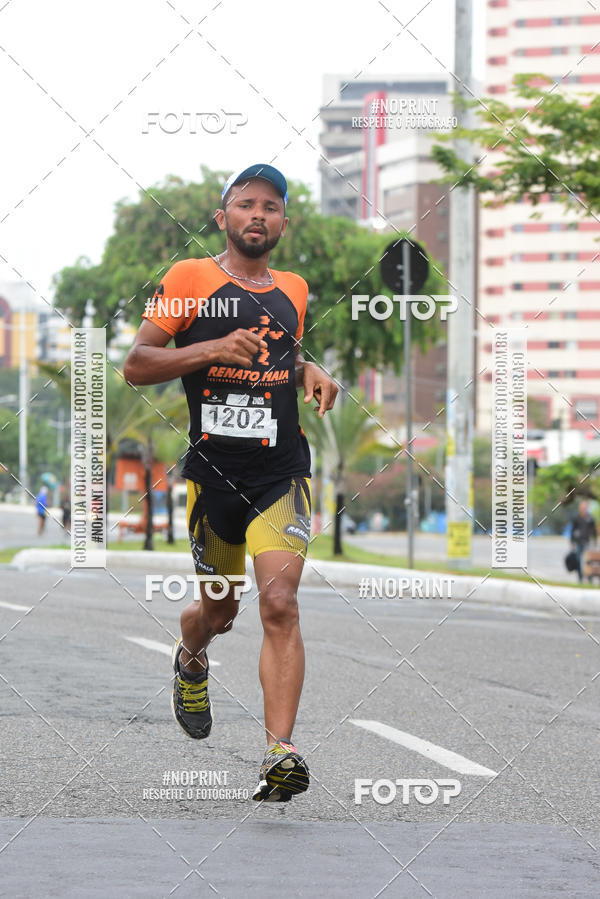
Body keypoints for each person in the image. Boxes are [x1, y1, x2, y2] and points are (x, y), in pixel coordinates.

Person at [124, 164, 338, 803]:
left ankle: (281, 753)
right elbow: (138, 365)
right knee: (219, 609)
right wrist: (211, 351)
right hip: (214, 473)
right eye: (245, 204)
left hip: (281, 471)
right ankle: (191, 657)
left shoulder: (294, 289)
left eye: (270, 206)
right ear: (223, 218)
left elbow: (281, 350)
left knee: (280, 603)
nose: (257, 215)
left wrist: (310, 370)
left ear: (283, 223)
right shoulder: (190, 279)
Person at [569, 500, 597, 582]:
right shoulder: (576, 518)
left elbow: (594, 530)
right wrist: (572, 542)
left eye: (585, 507)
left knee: (588, 561)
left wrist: (594, 541)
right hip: (578, 542)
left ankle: (589, 578)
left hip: (587, 542)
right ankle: (580, 578)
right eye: (582, 507)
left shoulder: (590, 518)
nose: (583, 509)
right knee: (578, 560)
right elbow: (572, 530)